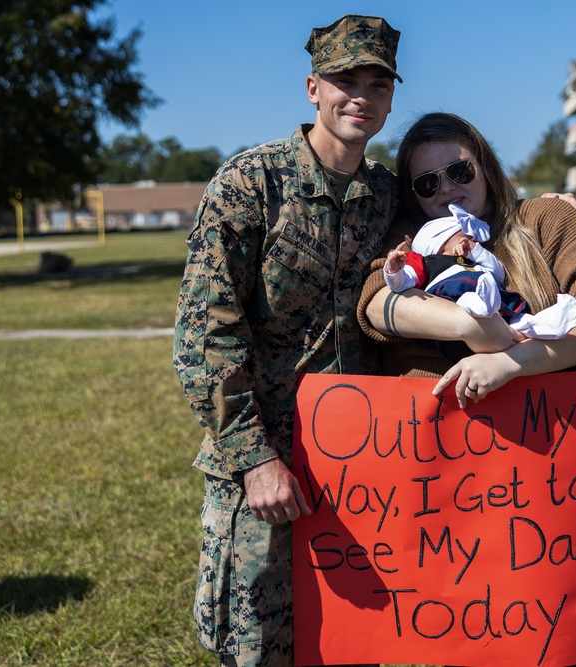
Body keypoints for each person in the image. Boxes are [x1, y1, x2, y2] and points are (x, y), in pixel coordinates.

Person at [172, 14, 401, 667]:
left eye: (377, 83)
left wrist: (555, 206)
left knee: (355, 642)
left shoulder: (386, 196)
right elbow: (204, 333)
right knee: (258, 648)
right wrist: (254, 458)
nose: (360, 95)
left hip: (358, 466)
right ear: (312, 88)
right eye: (343, 79)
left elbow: (471, 220)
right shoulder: (252, 183)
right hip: (264, 470)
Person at [359, 112, 576, 410]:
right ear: (414, 195)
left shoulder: (547, 217)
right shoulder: (412, 236)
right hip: (430, 434)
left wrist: (509, 363)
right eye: (427, 183)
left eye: (459, 171)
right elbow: (375, 302)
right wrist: (471, 326)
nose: (446, 188)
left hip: (544, 427)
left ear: (485, 166)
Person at [383, 202, 576, 345]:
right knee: (468, 300)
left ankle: (553, 322)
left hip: (493, 298)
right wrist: (394, 269)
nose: (471, 238)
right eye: (464, 234)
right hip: (454, 296)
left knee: (520, 321)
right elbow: (403, 283)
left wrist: (476, 251)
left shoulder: (473, 262)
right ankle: (482, 305)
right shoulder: (427, 262)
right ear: (440, 240)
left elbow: (497, 272)